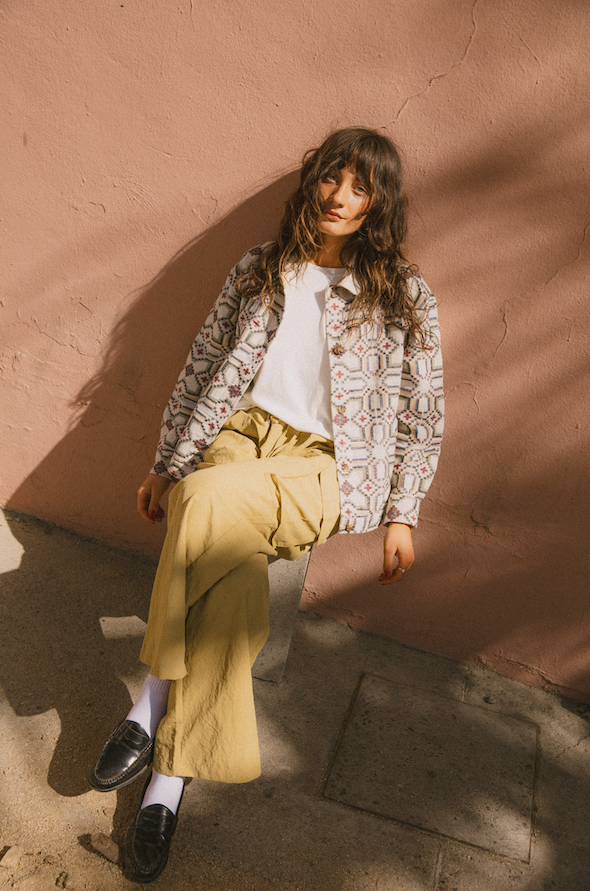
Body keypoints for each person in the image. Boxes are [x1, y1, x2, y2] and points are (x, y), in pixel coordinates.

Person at [88, 127, 444, 882]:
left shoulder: (403, 293)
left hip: (326, 465)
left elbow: (424, 413)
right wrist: (167, 459)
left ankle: (150, 701)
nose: (340, 197)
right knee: (231, 574)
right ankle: (168, 786)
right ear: (313, 181)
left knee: (200, 500)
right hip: (238, 434)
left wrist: (403, 512)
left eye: (360, 187)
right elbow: (202, 363)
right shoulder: (259, 268)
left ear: (378, 203)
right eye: (332, 178)